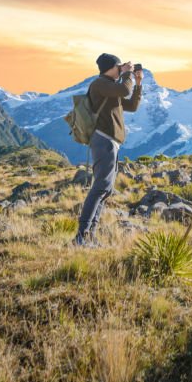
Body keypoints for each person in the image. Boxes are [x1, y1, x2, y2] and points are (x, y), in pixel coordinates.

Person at [74, 53, 143, 246]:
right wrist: (127, 74)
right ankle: (81, 235)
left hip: (111, 142)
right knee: (100, 187)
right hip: (103, 140)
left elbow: (132, 105)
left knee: (106, 189)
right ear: (111, 68)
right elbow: (122, 90)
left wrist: (137, 83)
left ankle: (90, 235)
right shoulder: (100, 84)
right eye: (118, 66)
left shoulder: (111, 88)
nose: (121, 68)